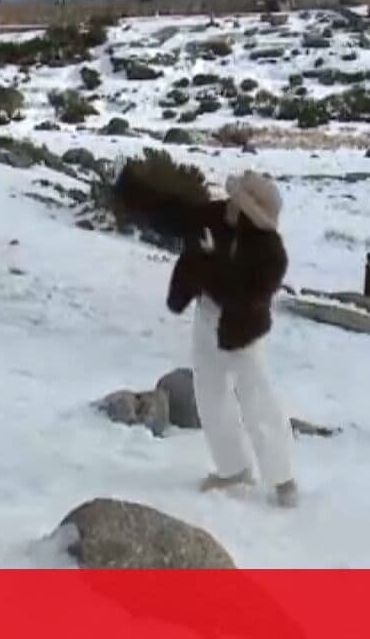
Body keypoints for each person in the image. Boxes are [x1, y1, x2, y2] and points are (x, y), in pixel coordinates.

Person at [114, 167, 296, 507]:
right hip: (206, 317)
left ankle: (282, 478)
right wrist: (133, 191)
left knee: (257, 398)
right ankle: (233, 468)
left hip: (245, 329)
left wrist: (210, 262)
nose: (230, 204)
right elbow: (174, 214)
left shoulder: (271, 253)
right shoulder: (213, 216)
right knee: (209, 392)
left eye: (238, 201)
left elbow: (241, 294)